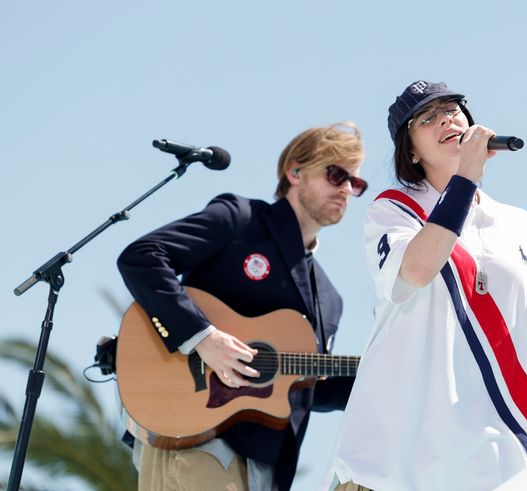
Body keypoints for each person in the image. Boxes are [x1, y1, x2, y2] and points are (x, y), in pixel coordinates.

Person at [324, 81, 527, 491]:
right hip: (389, 466)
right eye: (426, 118)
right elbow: (415, 270)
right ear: (411, 150)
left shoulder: (521, 223)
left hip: (488, 469)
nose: (446, 118)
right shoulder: (395, 208)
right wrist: (465, 178)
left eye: (453, 109)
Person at [117, 122, 367, 491]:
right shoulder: (241, 219)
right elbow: (143, 257)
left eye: (356, 183)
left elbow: (306, 386)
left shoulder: (330, 299)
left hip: (267, 467)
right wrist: (204, 338)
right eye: (336, 175)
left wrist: (382, 378)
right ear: (294, 172)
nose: (346, 189)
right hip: (197, 441)